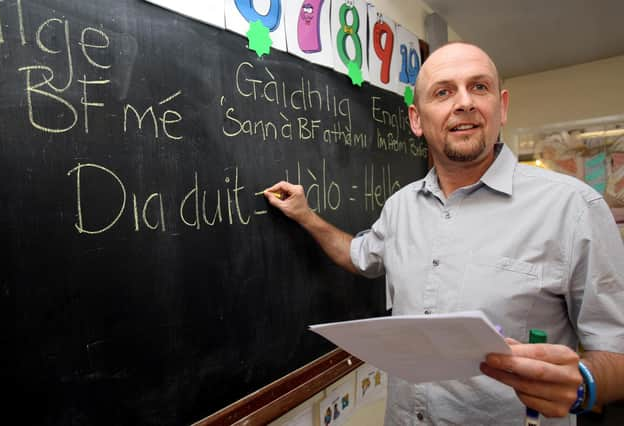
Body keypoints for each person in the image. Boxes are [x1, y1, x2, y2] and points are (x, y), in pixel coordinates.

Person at [264, 42, 624, 425]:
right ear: (417, 120)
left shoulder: (573, 209)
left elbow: (617, 351)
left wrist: (584, 382)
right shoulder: (400, 207)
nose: (465, 102)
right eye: (443, 92)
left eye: (479, 87)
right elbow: (357, 255)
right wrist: (306, 216)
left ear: (501, 107)